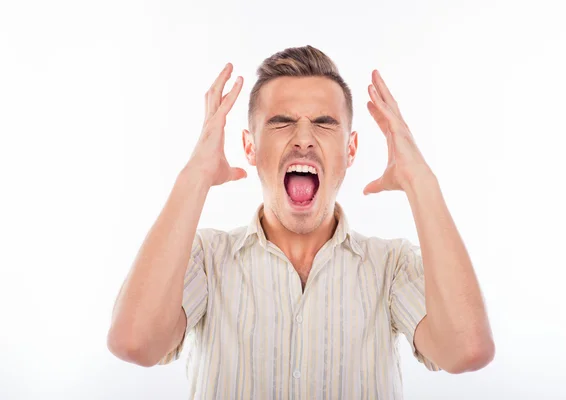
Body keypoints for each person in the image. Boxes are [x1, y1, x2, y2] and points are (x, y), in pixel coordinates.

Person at [107, 45, 495, 399]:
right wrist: (194, 175)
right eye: (281, 122)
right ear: (250, 148)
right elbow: (134, 342)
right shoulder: (206, 260)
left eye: (325, 123)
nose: (304, 138)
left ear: (351, 149)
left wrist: (420, 182)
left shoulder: (390, 267)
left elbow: (466, 351)